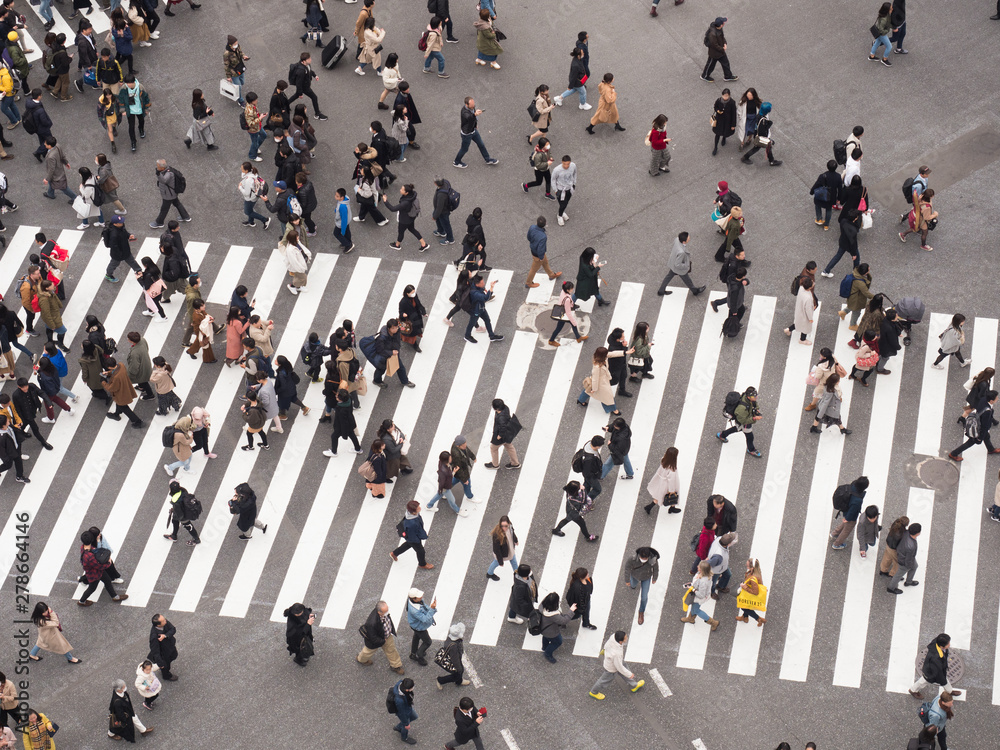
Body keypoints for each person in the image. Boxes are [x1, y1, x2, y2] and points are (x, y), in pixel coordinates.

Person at [589, 630, 644, 700]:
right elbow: (619, 667)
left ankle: (634, 685)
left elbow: (607, 644)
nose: (627, 638)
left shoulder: (613, 637)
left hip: (614, 661)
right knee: (604, 681)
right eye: (625, 638)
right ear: (620, 641)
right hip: (612, 668)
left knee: (624, 670)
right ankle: (593, 692)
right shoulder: (616, 654)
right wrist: (629, 674)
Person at [78, 529, 128, 605]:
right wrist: (108, 563)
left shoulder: (83, 547)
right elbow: (99, 566)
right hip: (94, 574)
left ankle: (115, 596)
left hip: (97, 572)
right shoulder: (89, 556)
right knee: (92, 588)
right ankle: (81, 601)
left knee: (107, 581)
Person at [949, 390, 999, 461]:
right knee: (970, 442)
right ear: (991, 401)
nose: (997, 398)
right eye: (996, 398)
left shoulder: (983, 399)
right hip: (978, 428)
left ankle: (991, 449)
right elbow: (984, 426)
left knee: (987, 436)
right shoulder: (987, 411)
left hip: (977, 421)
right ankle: (953, 454)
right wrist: (980, 438)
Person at [357, 600, 405, 674]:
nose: (387, 612)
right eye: (385, 611)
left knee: (392, 651)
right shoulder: (371, 623)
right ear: (379, 612)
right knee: (367, 652)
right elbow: (373, 638)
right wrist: (383, 641)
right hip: (377, 640)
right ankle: (361, 659)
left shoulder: (382, 614)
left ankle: (396, 666)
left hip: (386, 636)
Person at [910, 634, 962, 698]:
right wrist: (943, 681)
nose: (949, 644)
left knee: (941, 680)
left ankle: (949, 691)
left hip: (932, 669)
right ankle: (913, 690)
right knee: (924, 681)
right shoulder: (935, 658)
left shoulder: (937, 643)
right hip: (931, 672)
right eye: (948, 644)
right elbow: (938, 673)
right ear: (941, 646)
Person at [577, 347, 624, 416]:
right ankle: (613, 409)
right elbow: (595, 379)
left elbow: (612, 354)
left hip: (603, 380)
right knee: (607, 396)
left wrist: (624, 352)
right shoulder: (597, 367)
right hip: (600, 383)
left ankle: (581, 400)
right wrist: (594, 389)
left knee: (588, 390)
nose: (607, 354)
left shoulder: (600, 358)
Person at [382, 183, 429, 251]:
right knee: (412, 229)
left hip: (404, 220)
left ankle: (397, 245)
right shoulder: (412, 195)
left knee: (401, 232)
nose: (400, 190)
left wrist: (385, 201)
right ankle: (423, 244)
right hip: (411, 217)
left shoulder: (405, 203)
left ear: (406, 192)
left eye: (402, 189)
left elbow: (393, 209)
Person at [717, 385, 762, 457]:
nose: (756, 397)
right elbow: (743, 421)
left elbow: (754, 404)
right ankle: (751, 450)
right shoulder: (741, 409)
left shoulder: (749, 399)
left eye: (756, 395)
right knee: (750, 436)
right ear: (748, 397)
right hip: (744, 422)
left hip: (745, 418)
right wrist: (754, 418)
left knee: (737, 429)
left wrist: (756, 409)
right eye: (754, 396)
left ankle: (722, 435)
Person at [453, 96, 498, 168]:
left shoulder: (472, 107)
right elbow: (469, 118)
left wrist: (475, 124)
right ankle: (456, 162)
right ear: (466, 105)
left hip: (473, 130)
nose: (473, 106)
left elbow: (473, 118)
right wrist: (475, 114)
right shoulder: (464, 112)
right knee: (464, 149)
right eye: (472, 105)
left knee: (481, 144)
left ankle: (487, 159)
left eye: (473, 104)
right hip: (467, 134)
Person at [390, 500, 434, 569]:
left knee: (408, 544)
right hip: (414, 538)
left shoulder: (411, 515)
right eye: (418, 508)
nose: (420, 508)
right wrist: (417, 541)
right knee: (420, 551)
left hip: (413, 536)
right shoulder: (412, 523)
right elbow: (412, 535)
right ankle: (422, 564)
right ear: (413, 512)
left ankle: (394, 553)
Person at [286, 52, 327, 120]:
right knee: (314, 97)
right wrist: (300, 93)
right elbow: (298, 83)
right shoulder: (301, 71)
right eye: (309, 59)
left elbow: (309, 71)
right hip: (305, 87)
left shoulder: (306, 65)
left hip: (304, 86)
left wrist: (315, 75)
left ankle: (285, 105)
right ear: (304, 61)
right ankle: (317, 114)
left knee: (296, 95)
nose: (311, 60)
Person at [464, 275, 503, 344]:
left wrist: (484, 289)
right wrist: (491, 288)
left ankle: (491, 336)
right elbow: (486, 298)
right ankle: (467, 336)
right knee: (472, 323)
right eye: (482, 283)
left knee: (487, 320)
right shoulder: (475, 293)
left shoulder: (474, 285)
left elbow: (482, 290)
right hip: (475, 310)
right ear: (477, 284)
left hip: (481, 308)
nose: (484, 283)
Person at [624, 546, 658, 625]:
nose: (643, 560)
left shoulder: (653, 560)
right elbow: (627, 568)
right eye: (642, 558)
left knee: (644, 597)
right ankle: (633, 586)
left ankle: (641, 612)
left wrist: (654, 578)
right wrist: (627, 580)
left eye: (645, 558)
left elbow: (656, 569)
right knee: (633, 585)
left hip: (646, 578)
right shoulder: (632, 559)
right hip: (635, 576)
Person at [741, 101, 782, 166]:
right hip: (761, 137)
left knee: (763, 147)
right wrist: (769, 140)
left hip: (756, 135)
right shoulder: (763, 120)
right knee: (759, 148)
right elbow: (763, 132)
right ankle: (745, 157)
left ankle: (771, 160)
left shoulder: (759, 115)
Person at [681, 560, 719, 630]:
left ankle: (713, 622)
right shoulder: (703, 574)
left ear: (702, 570)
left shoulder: (703, 581)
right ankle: (691, 618)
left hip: (699, 598)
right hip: (699, 595)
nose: (697, 566)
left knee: (696, 610)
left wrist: (693, 590)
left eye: (699, 566)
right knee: (694, 608)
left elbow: (701, 595)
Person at [538, 591, 574, 663]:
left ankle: (544, 647)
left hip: (543, 628)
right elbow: (564, 621)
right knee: (558, 642)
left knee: (545, 638)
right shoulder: (554, 616)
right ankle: (547, 653)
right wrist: (571, 611)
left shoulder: (542, 607)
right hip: (551, 633)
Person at [117, 75, 150, 152]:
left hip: (139, 108)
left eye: (130, 83)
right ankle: (133, 142)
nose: (128, 85)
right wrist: (123, 110)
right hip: (130, 110)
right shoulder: (124, 88)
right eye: (127, 83)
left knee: (141, 121)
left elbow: (146, 98)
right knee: (131, 126)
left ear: (134, 82)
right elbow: (120, 99)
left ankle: (141, 129)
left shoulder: (140, 87)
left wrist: (147, 108)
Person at [548, 281, 587, 346]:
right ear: (567, 290)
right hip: (563, 314)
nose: (573, 289)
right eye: (571, 288)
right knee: (562, 327)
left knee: (565, 326)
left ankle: (578, 337)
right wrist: (573, 321)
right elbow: (568, 312)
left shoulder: (563, 291)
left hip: (562, 311)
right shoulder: (567, 300)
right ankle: (551, 340)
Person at [163, 480, 201, 546]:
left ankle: (197, 540)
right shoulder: (183, 490)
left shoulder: (175, 499)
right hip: (183, 510)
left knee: (188, 526)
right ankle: (174, 535)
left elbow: (179, 512)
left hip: (183, 515)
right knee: (175, 520)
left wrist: (175, 511)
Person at [887, 522, 921, 594]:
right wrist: (908, 566)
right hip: (904, 561)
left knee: (915, 566)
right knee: (898, 575)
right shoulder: (911, 546)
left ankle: (909, 581)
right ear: (917, 533)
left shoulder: (906, 533)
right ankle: (891, 588)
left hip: (902, 554)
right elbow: (908, 560)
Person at [486, 398, 520, 468]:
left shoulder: (501, 417)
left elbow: (503, 427)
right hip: (508, 433)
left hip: (501, 435)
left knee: (493, 448)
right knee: (509, 447)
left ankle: (495, 464)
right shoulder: (505, 408)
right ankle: (515, 463)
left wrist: (500, 435)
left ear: (496, 408)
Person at [645, 446, 680, 514]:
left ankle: (649, 507)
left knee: (659, 496)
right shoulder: (672, 469)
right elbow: (671, 481)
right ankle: (672, 508)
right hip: (667, 485)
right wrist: (672, 491)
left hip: (662, 482)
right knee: (673, 496)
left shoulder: (664, 461)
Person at [405, 589, 436, 666]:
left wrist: (430, 609)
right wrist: (432, 609)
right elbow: (425, 619)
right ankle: (419, 655)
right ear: (414, 598)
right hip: (419, 627)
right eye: (419, 596)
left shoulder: (413, 600)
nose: (421, 597)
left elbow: (424, 607)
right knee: (428, 642)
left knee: (416, 637)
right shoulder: (415, 610)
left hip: (415, 625)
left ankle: (413, 653)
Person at [701, 17, 737, 82]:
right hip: (714, 53)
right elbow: (714, 45)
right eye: (723, 22)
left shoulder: (719, 29)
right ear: (721, 25)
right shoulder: (712, 34)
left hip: (720, 51)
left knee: (726, 63)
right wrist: (722, 49)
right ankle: (704, 76)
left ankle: (728, 76)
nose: (724, 23)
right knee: (710, 65)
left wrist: (725, 43)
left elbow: (722, 37)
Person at [735, 558, 768, 626]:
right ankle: (745, 617)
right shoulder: (756, 571)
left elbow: (755, 592)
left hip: (750, 593)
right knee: (746, 605)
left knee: (743, 606)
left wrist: (744, 587)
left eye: (747, 565)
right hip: (749, 591)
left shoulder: (753, 578)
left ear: (752, 567)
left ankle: (758, 619)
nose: (746, 566)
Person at [436, 623, 470, 689]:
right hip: (454, 660)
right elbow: (455, 659)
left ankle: (459, 681)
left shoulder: (450, 638)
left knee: (457, 673)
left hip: (453, 657)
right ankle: (440, 680)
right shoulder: (453, 646)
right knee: (458, 673)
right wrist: (459, 669)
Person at [810, 159, 841, 229]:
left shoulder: (823, 176)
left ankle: (819, 219)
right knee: (829, 209)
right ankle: (826, 225)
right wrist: (839, 198)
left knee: (817, 205)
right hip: (831, 198)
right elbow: (840, 189)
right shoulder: (838, 177)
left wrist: (812, 191)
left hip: (821, 196)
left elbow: (816, 185)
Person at [282, 603, 315, 667]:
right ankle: (299, 660)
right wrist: (308, 624)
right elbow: (299, 633)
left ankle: (302, 658)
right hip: (296, 640)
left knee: (304, 649)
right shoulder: (292, 623)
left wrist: (308, 616)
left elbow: (305, 614)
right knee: (300, 650)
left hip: (304, 636)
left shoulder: (297, 614)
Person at [485, 516, 517, 580]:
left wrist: (516, 540)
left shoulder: (510, 526)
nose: (504, 528)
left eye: (506, 526)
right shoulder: (497, 534)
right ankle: (489, 573)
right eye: (502, 526)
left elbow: (512, 533)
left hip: (510, 549)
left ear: (509, 523)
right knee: (496, 562)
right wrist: (500, 561)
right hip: (502, 554)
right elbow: (497, 549)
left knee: (514, 562)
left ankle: (518, 575)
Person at [391, 678, 418, 745]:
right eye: (412, 687)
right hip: (405, 712)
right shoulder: (400, 701)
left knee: (414, 716)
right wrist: (406, 724)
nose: (413, 688)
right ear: (407, 690)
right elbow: (401, 713)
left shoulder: (401, 683)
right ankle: (404, 737)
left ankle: (398, 727)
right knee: (405, 727)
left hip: (407, 708)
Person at [711, 90, 736, 156]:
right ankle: (715, 147)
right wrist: (717, 111)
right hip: (719, 120)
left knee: (726, 131)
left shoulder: (732, 102)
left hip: (728, 121)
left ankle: (724, 138)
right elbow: (715, 107)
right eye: (724, 96)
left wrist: (733, 125)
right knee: (717, 134)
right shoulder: (718, 100)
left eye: (726, 96)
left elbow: (734, 114)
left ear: (729, 95)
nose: (725, 97)